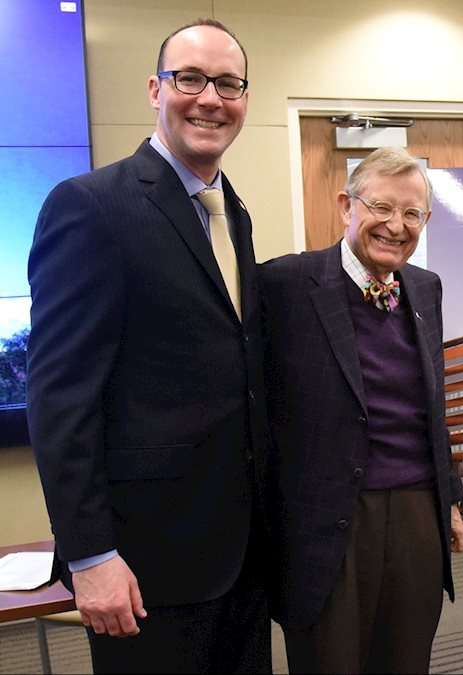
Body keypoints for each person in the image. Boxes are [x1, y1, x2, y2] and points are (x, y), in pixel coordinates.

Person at [25, 19, 270, 673]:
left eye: (228, 83)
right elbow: (59, 397)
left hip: (241, 558)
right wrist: (89, 555)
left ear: (245, 98)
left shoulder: (234, 212)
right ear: (155, 89)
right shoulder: (90, 206)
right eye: (189, 78)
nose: (210, 98)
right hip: (147, 566)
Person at [260, 146, 463, 673]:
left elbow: (433, 403)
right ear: (345, 206)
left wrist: (448, 499)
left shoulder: (425, 288)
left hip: (419, 511)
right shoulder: (283, 285)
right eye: (381, 207)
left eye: (412, 213)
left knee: (406, 660)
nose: (396, 226)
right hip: (331, 518)